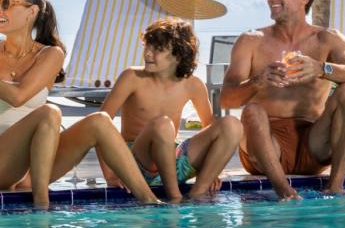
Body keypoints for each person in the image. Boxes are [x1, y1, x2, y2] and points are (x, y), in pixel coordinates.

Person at [0, 0, 160, 208]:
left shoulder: (51, 54)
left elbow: (19, 97)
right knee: (49, 113)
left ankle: (150, 201)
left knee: (100, 121)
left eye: (7, 3)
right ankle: (42, 206)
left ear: (31, 12)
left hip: (35, 169)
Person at [220, 0, 345, 199]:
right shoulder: (250, 40)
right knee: (252, 110)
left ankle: (335, 188)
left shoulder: (327, 38)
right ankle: (284, 192)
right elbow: (226, 99)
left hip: (314, 142)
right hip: (267, 147)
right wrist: (258, 81)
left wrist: (322, 68)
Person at [97, 18, 242, 202]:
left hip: (173, 163)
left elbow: (209, 126)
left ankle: (198, 193)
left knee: (232, 125)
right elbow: (100, 124)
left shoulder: (193, 84)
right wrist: (111, 176)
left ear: (178, 55)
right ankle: (175, 199)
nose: (148, 53)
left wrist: (212, 170)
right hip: (136, 164)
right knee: (162, 125)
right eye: (147, 46)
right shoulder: (132, 77)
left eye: (157, 49)